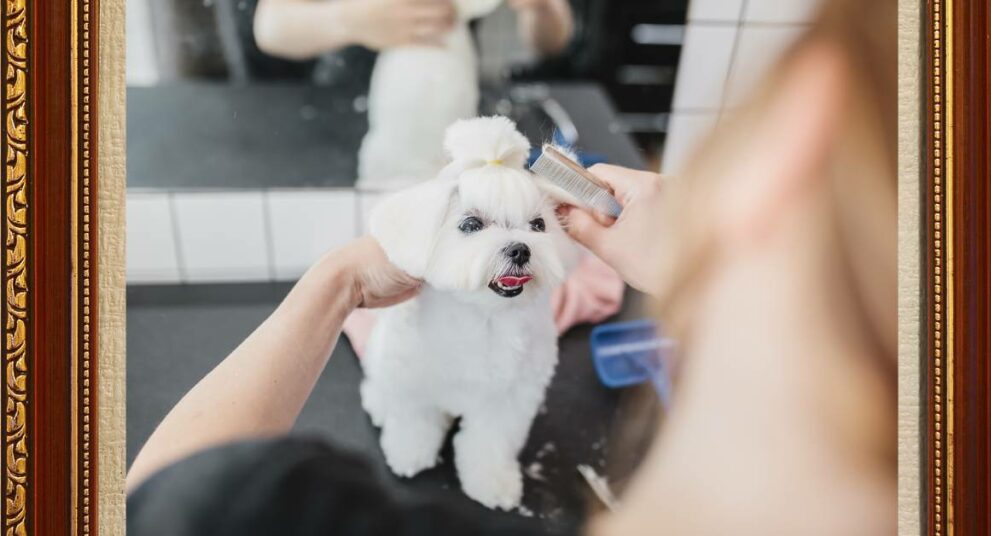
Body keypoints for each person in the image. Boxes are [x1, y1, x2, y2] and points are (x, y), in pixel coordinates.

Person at [127, 0, 894, 533]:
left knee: (500, 407)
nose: (520, 246)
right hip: (381, 126)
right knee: (407, 398)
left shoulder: (274, 512)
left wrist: (339, 280)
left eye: (532, 226)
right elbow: (273, 21)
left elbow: (171, 499)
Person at [251, 0, 573, 60]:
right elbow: (270, 26)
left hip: (454, 83)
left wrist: (541, 7)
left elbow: (553, 40)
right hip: (343, 99)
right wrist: (350, 19)